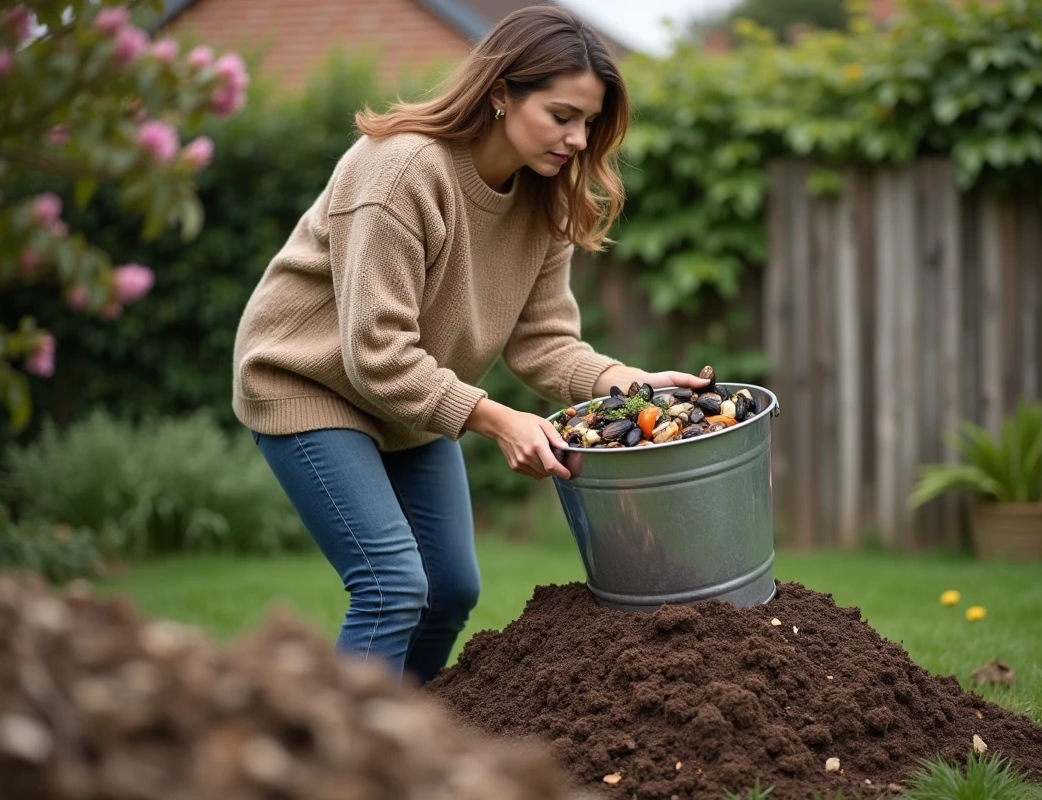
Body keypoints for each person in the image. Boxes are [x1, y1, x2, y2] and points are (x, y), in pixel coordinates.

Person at [231, 5, 708, 684]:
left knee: (450, 589)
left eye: (590, 124)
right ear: (501, 92)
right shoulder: (400, 172)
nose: (578, 140)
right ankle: (333, 766)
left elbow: (544, 343)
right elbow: (374, 352)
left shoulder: (542, 200)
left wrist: (629, 384)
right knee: (392, 584)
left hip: (407, 398)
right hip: (307, 382)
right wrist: (493, 418)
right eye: (562, 115)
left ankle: (406, 747)